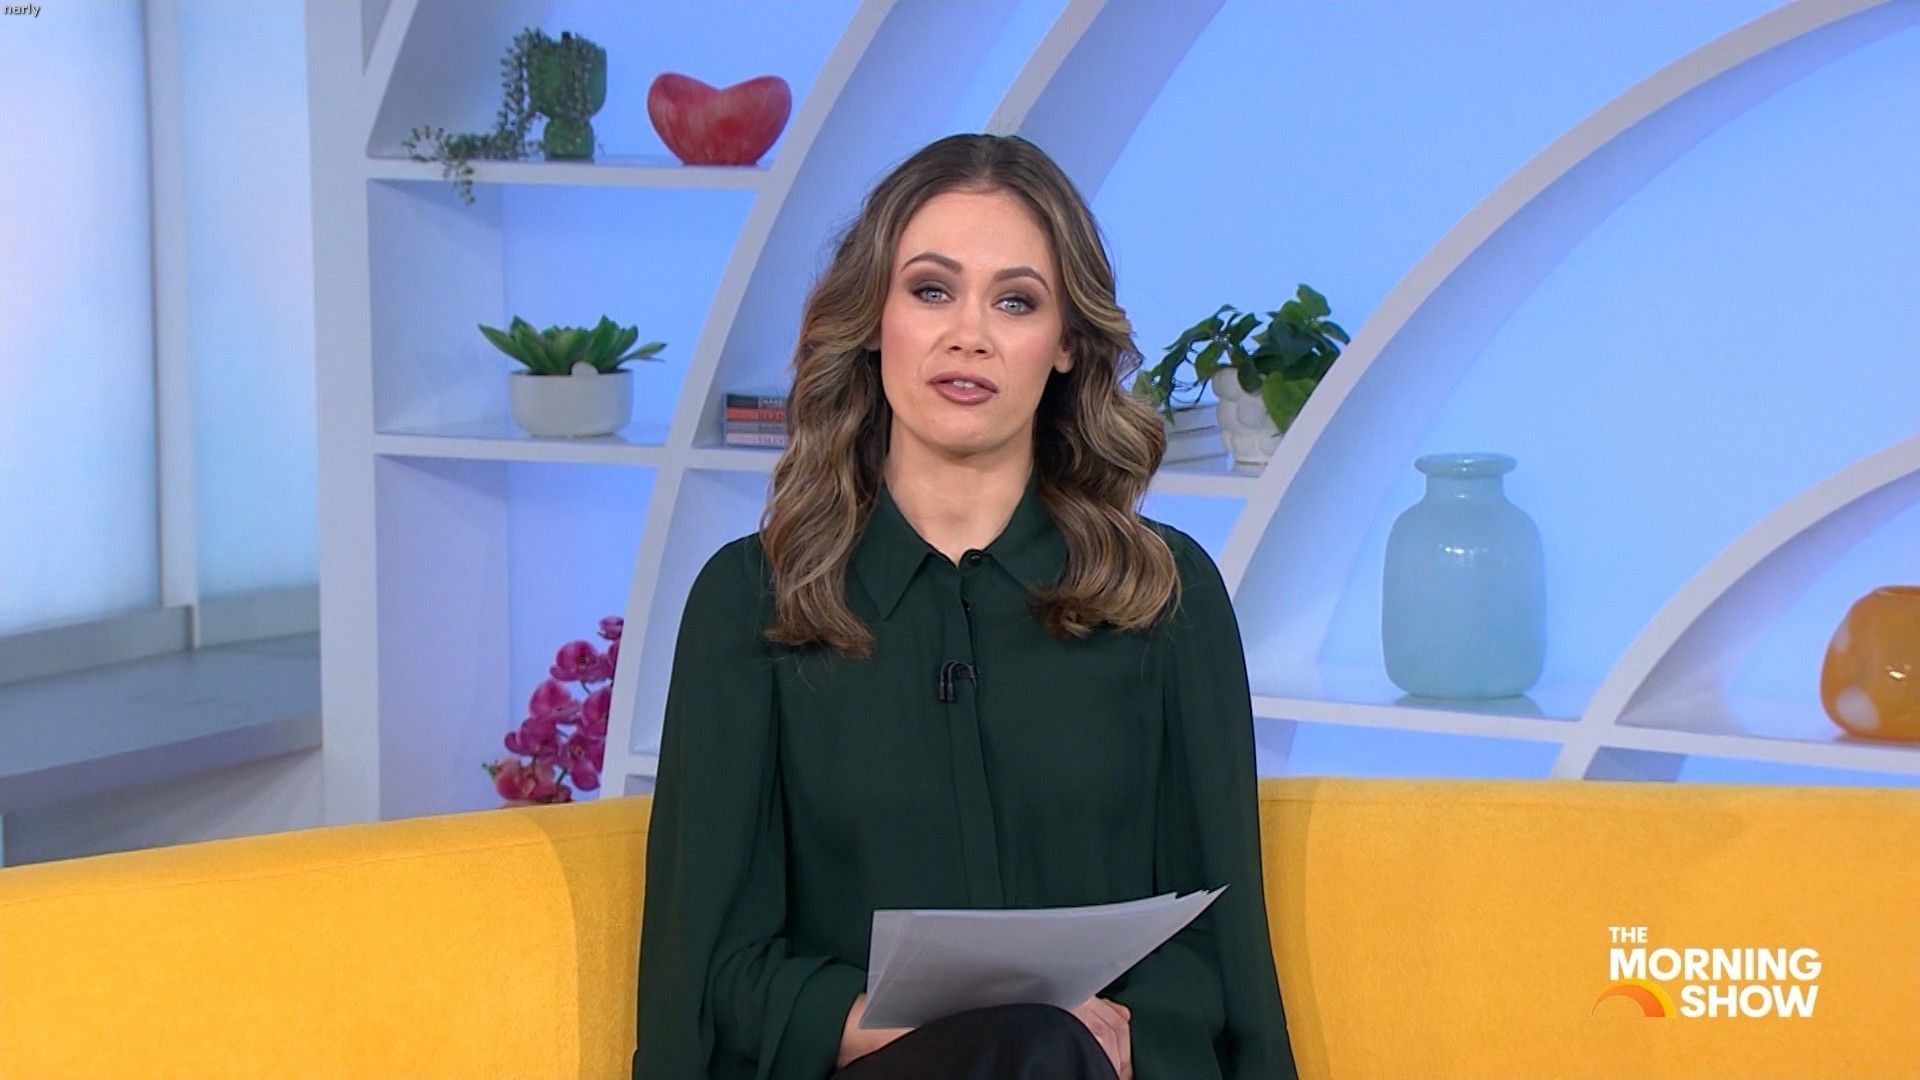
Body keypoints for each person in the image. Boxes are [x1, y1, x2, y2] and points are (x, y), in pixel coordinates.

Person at [634, 132, 1298, 1079]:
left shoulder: (1165, 596)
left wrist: (1109, 1029)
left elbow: (1222, 956)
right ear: (873, 319)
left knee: (1044, 1050)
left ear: (1066, 344)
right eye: (931, 290)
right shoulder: (752, 603)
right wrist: (870, 1022)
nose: (969, 336)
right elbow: (706, 977)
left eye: (1015, 301)